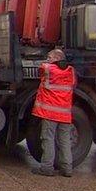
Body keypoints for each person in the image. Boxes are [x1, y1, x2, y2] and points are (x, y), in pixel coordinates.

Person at [31, 48, 77, 177]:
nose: (47, 60)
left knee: (48, 139)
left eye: (49, 57)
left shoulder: (48, 69)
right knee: (65, 141)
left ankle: (47, 168)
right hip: (65, 114)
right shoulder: (71, 72)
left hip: (50, 113)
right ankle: (67, 169)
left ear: (56, 59)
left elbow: (41, 68)